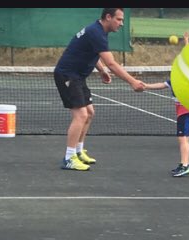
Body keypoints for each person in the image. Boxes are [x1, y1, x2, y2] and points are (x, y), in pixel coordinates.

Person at [53, 8, 145, 171]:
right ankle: (69, 158)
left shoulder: (98, 31)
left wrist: (101, 70)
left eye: (122, 20)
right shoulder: (96, 32)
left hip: (78, 76)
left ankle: (79, 151)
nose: (121, 23)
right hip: (67, 75)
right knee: (81, 115)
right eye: (119, 19)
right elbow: (112, 63)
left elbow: (93, 54)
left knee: (89, 113)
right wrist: (132, 81)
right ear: (108, 17)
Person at [141, 33, 189, 176]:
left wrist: (187, 43)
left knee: (184, 140)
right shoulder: (175, 79)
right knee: (182, 139)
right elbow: (161, 85)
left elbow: (188, 59)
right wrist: (145, 86)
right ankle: (184, 163)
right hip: (181, 112)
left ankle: (186, 165)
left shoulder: (188, 79)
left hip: (186, 111)